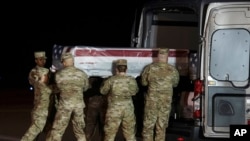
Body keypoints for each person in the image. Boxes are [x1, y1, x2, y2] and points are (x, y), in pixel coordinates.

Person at [46, 52, 89, 141]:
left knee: (58, 130)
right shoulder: (82, 74)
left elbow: (57, 88)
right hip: (78, 106)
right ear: (73, 61)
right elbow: (85, 88)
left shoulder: (59, 74)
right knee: (79, 131)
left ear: (64, 62)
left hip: (65, 106)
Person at [141, 48, 180, 141]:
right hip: (165, 103)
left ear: (158, 56)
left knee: (148, 126)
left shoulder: (149, 68)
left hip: (151, 102)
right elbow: (175, 84)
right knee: (161, 127)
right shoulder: (173, 70)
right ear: (167, 57)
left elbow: (144, 83)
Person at [100, 59, 139, 141]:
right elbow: (134, 92)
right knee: (130, 135)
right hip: (128, 109)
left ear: (116, 69)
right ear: (126, 69)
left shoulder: (111, 80)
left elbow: (103, 91)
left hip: (114, 110)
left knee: (109, 135)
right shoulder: (131, 80)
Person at [21, 51, 52, 141]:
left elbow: (52, 86)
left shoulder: (47, 71)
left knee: (50, 131)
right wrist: (48, 76)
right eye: (40, 59)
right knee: (36, 130)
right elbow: (38, 81)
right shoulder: (34, 72)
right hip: (40, 105)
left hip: (50, 106)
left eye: (44, 59)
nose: (43, 61)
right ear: (36, 60)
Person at [84, 77, 107, 141]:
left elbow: (85, 92)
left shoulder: (90, 79)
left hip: (93, 103)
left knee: (90, 125)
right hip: (103, 103)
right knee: (104, 126)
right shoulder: (107, 78)